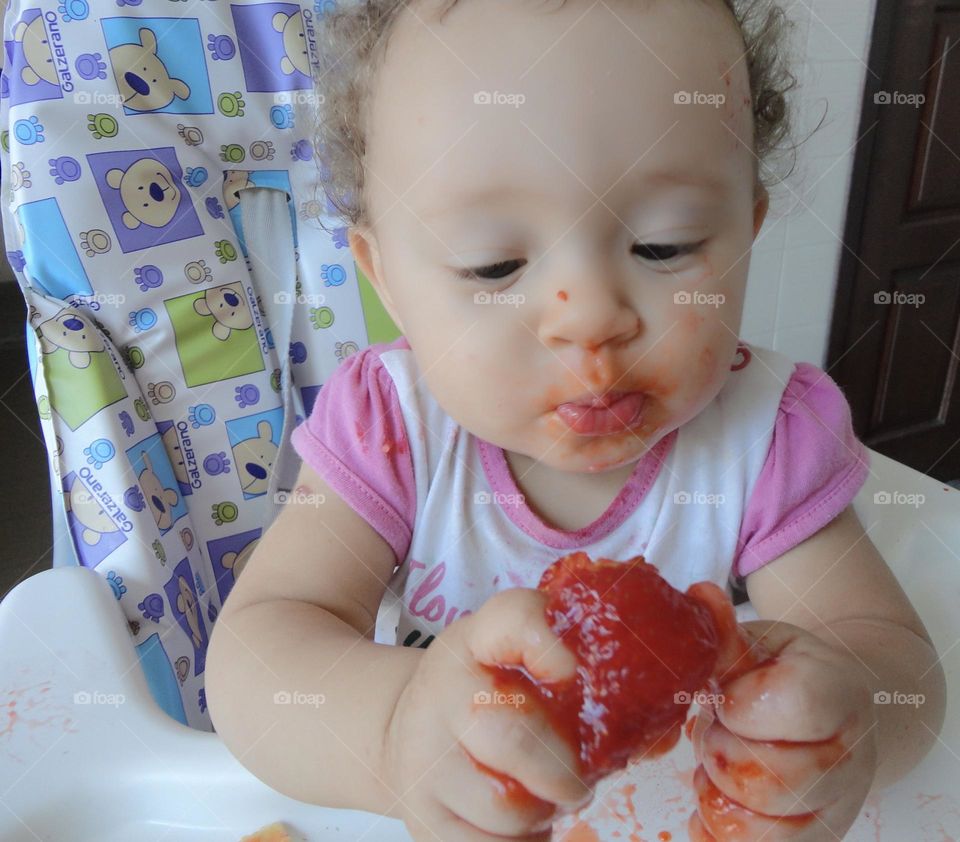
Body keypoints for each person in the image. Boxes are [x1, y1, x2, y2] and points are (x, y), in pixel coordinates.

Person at [206, 1, 947, 839]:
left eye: (665, 246)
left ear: (746, 231)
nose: (589, 316)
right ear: (384, 277)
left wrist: (847, 723)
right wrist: (391, 734)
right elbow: (256, 658)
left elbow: (898, 667)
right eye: (495, 263)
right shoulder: (389, 428)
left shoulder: (767, 436)